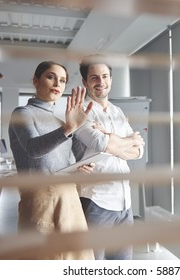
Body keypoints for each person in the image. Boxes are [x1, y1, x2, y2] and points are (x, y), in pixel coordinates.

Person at [8, 61, 94, 260]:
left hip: (69, 196)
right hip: (40, 199)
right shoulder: (22, 113)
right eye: (50, 76)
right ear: (36, 81)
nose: (57, 83)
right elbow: (33, 149)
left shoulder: (61, 120)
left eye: (63, 80)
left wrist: (81, 165)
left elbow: (69, 159)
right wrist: (68, 129)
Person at [74, 54, 145, 260]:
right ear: (85, 82)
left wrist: (110, 138)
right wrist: (119, 140)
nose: (101, 82)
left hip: (124, 203)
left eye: (105, 76)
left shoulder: (117, 111)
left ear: (111, 80)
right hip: (97, 201)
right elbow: (100, 145)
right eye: (94, 77)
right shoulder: (80, 112)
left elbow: (139, 151)